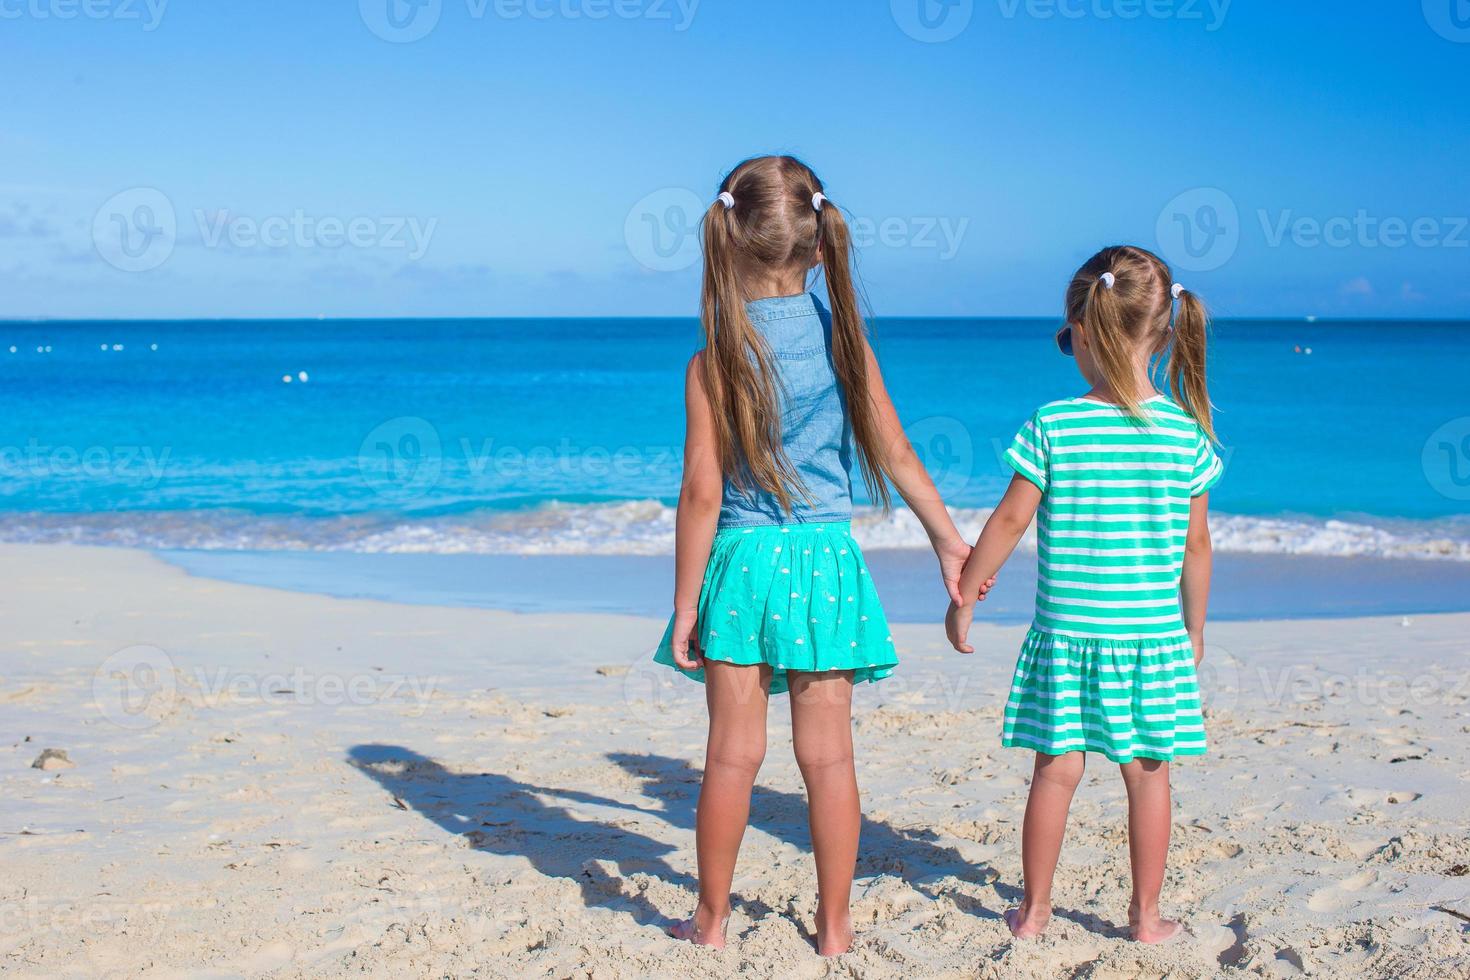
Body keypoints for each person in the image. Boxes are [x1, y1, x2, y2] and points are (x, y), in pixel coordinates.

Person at [653, 155, 977, 955]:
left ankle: (712, 921)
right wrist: (949, 541)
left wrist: (685, 602)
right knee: (829, 758)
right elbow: (897, 454)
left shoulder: (714, 360)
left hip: (742, 563)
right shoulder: (844, 346)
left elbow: (700, 494)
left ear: (725, 243)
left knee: (731, 757)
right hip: (827, 566)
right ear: (822, 247)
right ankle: (834, 928)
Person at [946, 244, 1223, 943]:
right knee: (1149, 776)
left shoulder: (1055, 425)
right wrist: (1194, 630)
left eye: (1068, 337)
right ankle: (1146, 917)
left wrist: (969, 592)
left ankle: (1034, 913)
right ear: (1161, 334)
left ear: (1087, 334)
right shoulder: (1185, 436)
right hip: (1153, 636)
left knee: (1056, 773)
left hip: (1069, 636)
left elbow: (1010, 518)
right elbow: (1196, 548)